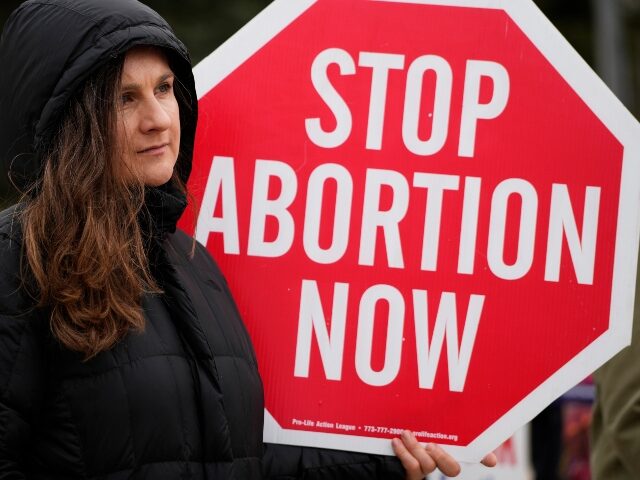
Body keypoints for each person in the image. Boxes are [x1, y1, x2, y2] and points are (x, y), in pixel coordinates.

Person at [0, 0, 496, 478]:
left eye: (166, 88)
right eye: (124, 98)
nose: (158, 119)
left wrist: (396, 454)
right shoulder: (18, 258)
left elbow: (239, 460)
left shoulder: (194, 265)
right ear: (66, 119)